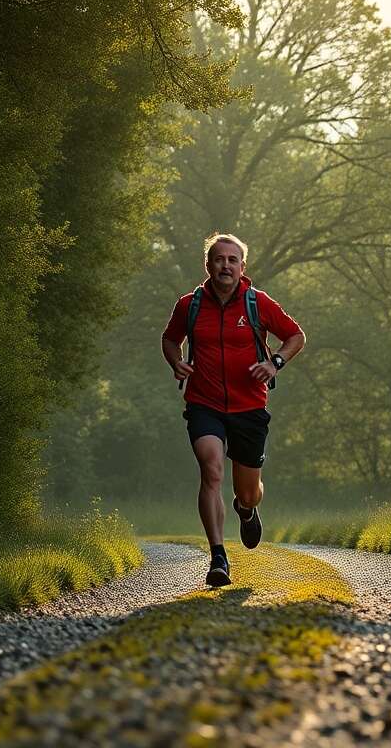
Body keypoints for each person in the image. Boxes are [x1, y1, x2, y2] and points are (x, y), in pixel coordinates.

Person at [161, 233, 306, 586]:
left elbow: (296, 336)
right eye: (218, 259)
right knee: (211, 470)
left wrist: (274, 363)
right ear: (208, 265)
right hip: (204, 402)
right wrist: (176, 362)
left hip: (249, 406)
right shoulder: (189, 305)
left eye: (232, 260)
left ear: (242, 267)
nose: (225, 265)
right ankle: (218, 557)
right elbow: (170, 339)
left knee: (248, 491)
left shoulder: (258, 303)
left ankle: (245, 508)